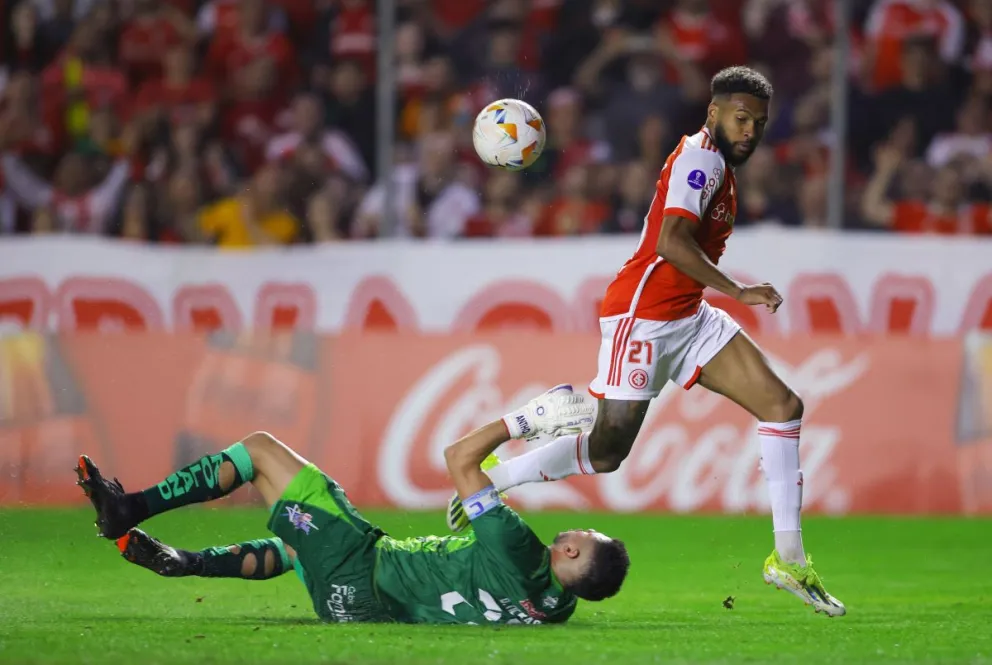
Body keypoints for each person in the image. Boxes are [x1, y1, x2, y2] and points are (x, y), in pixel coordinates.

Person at [447, 66, 845, 617]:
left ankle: (789, 559)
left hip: (688, 315)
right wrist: (738, 290)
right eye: (740, 118)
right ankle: (496, 476)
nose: (750, 130)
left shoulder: (720, 166)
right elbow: (670, 242)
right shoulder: (701, 160)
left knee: (782, 406)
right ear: (713, 112)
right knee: (607, 452)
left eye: (758, 122)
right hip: (645, 317)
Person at [75, 386, 629, 625]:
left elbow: (459, 458)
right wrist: (491, 495)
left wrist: (528, 420)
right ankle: (185, 562)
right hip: (354, 608)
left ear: (572, 552)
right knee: (299, 548)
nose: (574, 531)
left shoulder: (518, 547)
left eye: (583, 536)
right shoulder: (558, 606)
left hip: (364, 566)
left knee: (260, 452)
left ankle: (130, 509)